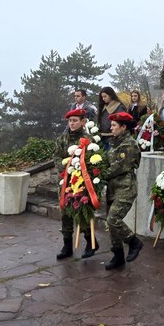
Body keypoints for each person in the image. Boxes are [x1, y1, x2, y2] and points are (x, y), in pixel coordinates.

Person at [54, 108, 98, 260]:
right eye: (70, 121)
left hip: (82, 181)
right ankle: (67, 246)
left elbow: (93, 159)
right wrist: (66, 168)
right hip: (66, 181)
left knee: (82, 211)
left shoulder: (87, 139)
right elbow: (57, 158)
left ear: (82, 122)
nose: (72, 124)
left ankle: (90, 242)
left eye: (75, 121)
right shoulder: (62, 139)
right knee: (65, 213)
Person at [102, 112, 143, 270]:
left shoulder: (129, 144)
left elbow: (120, 166)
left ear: (124, 127)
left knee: (113, 219)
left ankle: (134, 242)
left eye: (114, 125)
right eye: (111, 125)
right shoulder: (115, 144)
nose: (111, 128)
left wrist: (101, 174)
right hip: (113, 188)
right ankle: (118, 255)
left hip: (125, 188)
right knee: (111, 226)